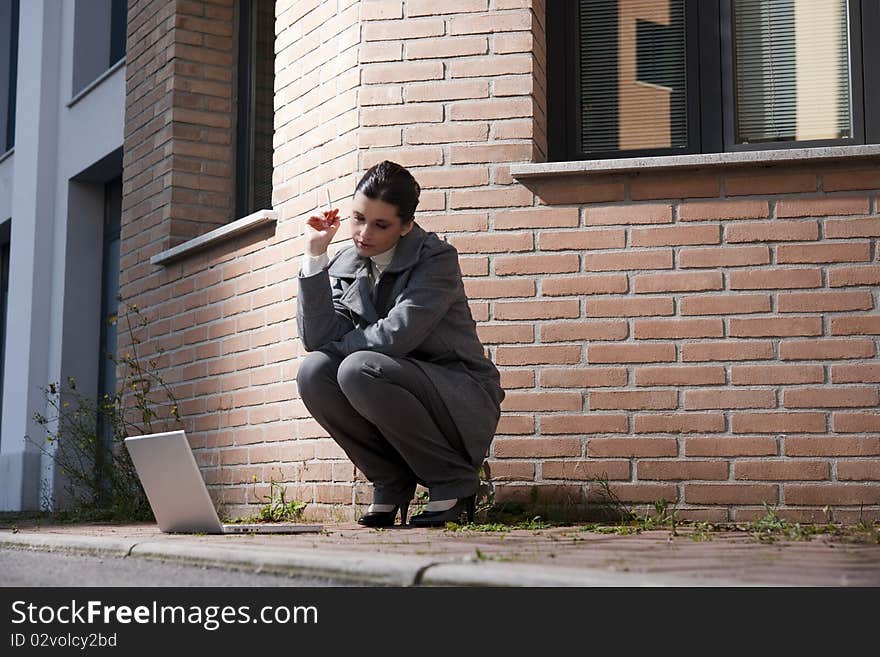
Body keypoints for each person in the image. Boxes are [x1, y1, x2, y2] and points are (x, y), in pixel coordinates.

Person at [295, 161, 505, 528]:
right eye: (358, 218)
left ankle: (453, 481)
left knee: (357, 368)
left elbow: (397, 335)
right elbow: (316, 338)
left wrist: (337, 347)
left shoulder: (435, 259)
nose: (363, 234)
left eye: (381, 225)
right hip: (385, 380)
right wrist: (316, 257)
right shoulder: (347, 262)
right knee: (314, 372)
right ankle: (391, 483)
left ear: (406, 225)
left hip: (455, 395)